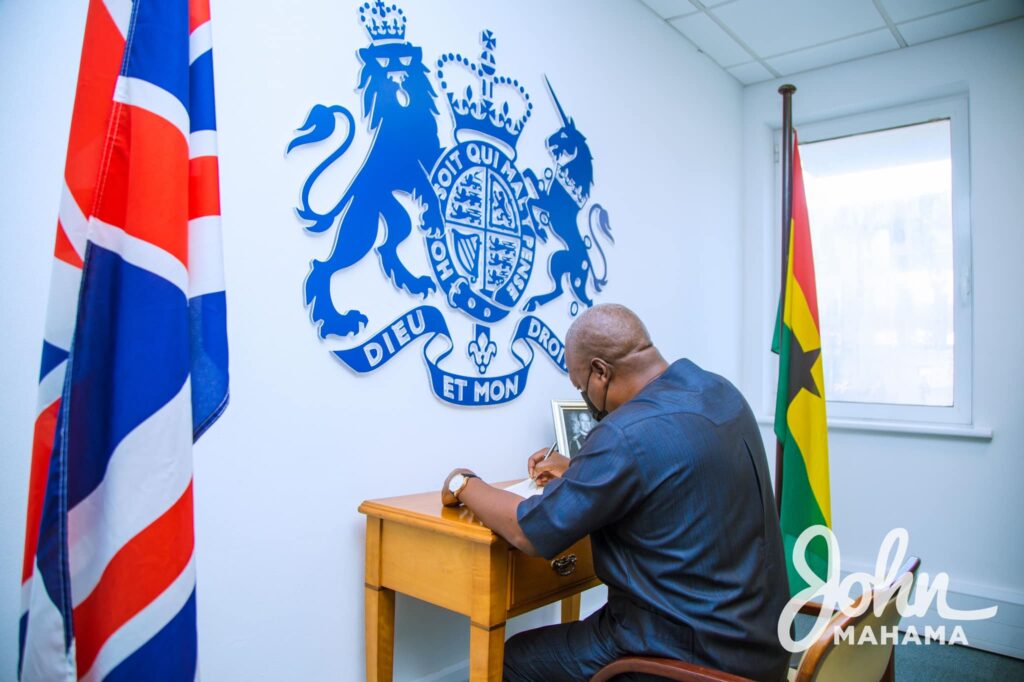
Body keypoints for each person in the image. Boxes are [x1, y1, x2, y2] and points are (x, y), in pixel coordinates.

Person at [441, 303, 790, 681]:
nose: (586, 399)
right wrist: (579, 471)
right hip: (762, 644)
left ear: (600, 373)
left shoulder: (624, 432)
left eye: (580, 386)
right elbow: (670, 476)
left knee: (511, 659)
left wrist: (464, 483)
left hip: (685, 655)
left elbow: (528, 531)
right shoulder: (719, 391)